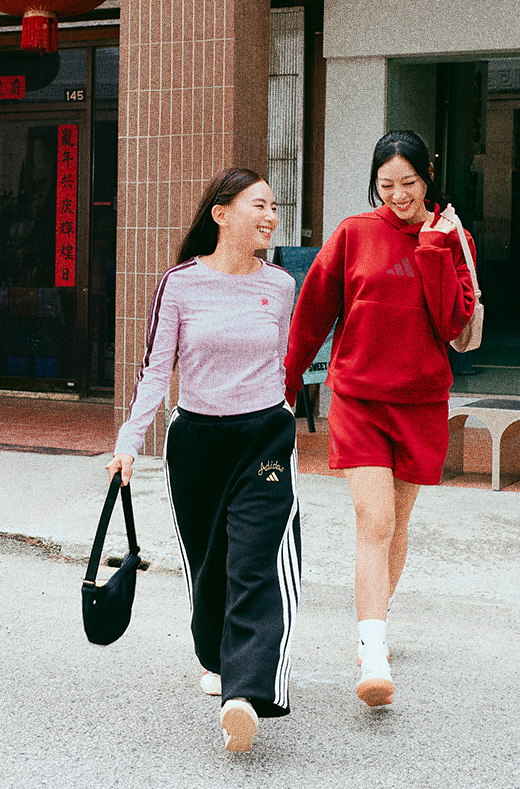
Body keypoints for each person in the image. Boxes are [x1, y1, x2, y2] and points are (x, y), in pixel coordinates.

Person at [107, 168, 301, 752]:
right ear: (221, 214)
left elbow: (282, 363)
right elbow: (155, 371)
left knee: (255, 562)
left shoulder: (281, 285)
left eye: (274, 206)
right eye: (258, 205)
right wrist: (129, 442)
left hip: (264, 437)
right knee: (210, 564)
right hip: (196, 443)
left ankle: (244, 692)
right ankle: (220, 658)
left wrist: (286, 421)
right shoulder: (181, 285)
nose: (270, 216)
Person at [284, 130, 475, 708]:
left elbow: (451, 324)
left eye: (409, 184)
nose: (398, 196)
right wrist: (288, 387)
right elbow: (312, 310)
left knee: (397, 521)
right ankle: (372, 653)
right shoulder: (353, 234)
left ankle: (376, 623)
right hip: (360, 399)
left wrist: (435, 249)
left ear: (429, 177)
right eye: (386, 185)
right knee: (374, 520)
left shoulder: (453, 236)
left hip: (421, 403)